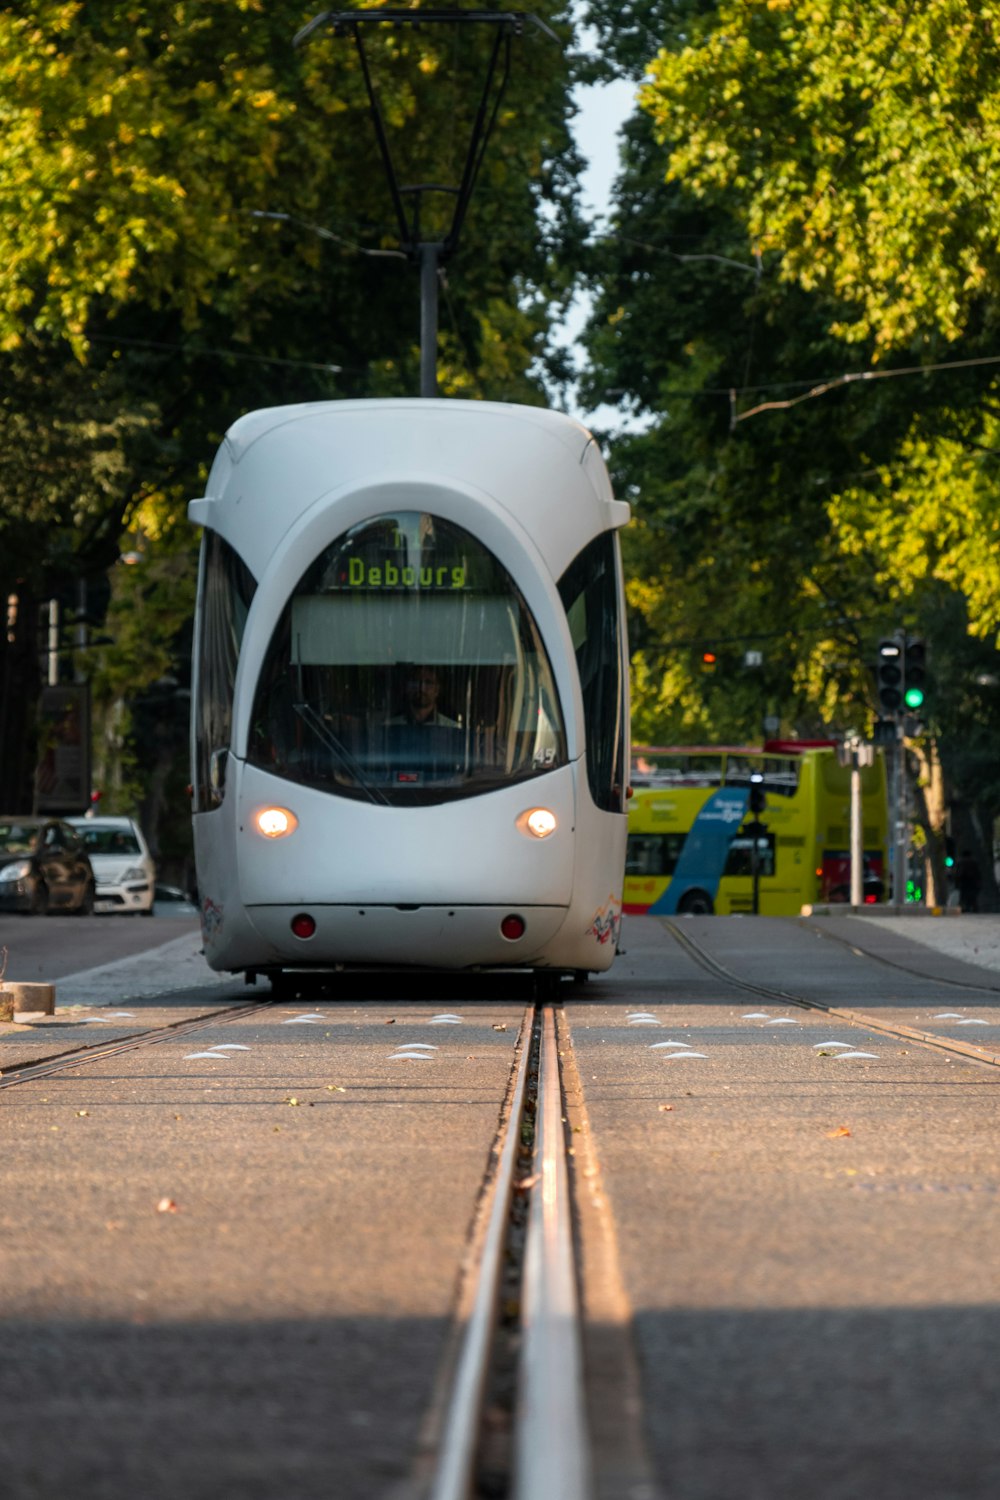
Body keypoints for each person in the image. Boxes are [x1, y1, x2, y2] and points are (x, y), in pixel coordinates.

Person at [388, 665, 458, 728]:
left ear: (437, 690)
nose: (421, 688)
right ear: (407, 688)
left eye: (428, 683)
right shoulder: (390, 726)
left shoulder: (451, 728)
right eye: (416, 682)